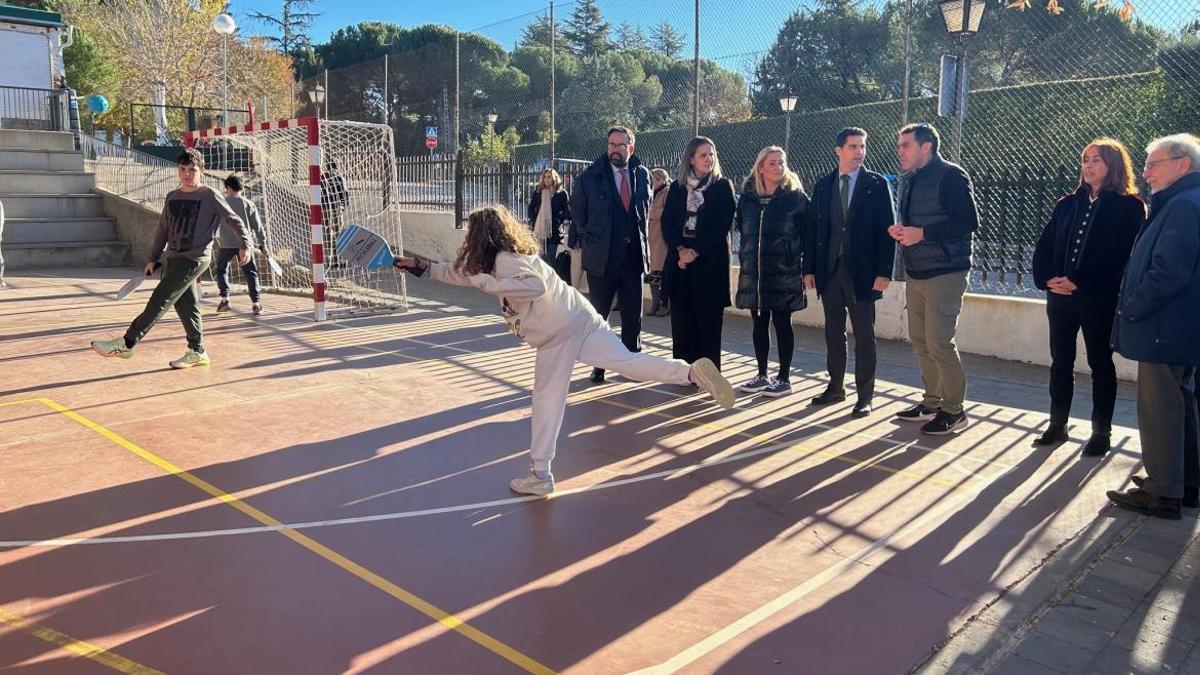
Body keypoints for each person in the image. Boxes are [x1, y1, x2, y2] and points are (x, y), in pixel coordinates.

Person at [393, 205, 735, 496]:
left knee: (546, 399)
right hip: (581, 317)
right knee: (628, 363)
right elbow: (458, 273)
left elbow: (534, 286)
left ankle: (540, 474)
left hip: (558, 332)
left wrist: (490, 284)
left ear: (482, 236)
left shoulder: (505, 262)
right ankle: (690, 372)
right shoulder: (512, 257)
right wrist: (420, 267)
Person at [1031, 138, 1145, 456]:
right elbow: (1045, 243)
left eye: (1096, 159)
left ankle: (1101, 430)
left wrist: (1079, 281)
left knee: (1099, 363)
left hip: (1097, 299)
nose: (1089, 165)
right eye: (1085, 159)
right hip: (1060, 298)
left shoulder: (1129, 206)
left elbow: (1119, 255)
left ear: (1113, 165)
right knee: (1060, 362)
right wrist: (1047, 279)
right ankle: (1057, 424)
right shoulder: (1068, 203)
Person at [1107, 133, 1200, 520]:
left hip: (1164, 324)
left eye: (1152, 165)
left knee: (1160, 407)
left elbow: (1168, 271)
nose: (1145, 173)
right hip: (1178, 325)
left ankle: (1163, 493)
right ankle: (1185, 482)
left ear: (1183, 164)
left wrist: (1131, 306)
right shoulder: (1184, 201)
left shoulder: (1183, 206)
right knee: (1181, 402)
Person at [91, 148, 251, 368]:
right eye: (182, 169)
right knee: (187, 305)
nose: (187, 174)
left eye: (192, 170)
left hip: (194, 258)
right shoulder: (172, 196)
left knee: (161, 298)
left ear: (202, 171)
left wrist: (246, 244)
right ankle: (197, 351)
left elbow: (234, 220)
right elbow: (163, 230)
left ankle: (127, 343)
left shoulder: (210, 195)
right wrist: (153, 258)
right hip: (172, 258)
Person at [889, 123, 979, 435]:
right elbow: (918, 224)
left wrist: (922, 233)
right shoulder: (912, 180)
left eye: (906, 145)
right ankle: (932, 402)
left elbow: (968, 221)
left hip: (946, 272)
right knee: (921, 340)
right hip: (917, 271)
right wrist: (903, 231)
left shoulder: (951, 175)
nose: (900, 151)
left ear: (926, 147)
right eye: (900, 145)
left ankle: (954, 410)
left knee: (940, 342)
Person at [804, 127, 897, 417]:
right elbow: (813, 230)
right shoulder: (823, 185)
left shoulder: (876, 184)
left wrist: (884, 271)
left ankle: (865, 396)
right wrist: (809, 269)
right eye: (853, 146)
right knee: (833, 331)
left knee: (864, 336)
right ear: (838, 150)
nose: (859, 152)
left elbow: (887, 230)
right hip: (829, 271)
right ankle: (835, 387)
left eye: (862, 146)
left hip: (864, 272)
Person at [734, 146, 808, 397]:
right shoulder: (748, 199)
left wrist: (799, 260)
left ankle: (784, 378)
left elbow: (809, 234)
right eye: (773, 163)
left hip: (784, 272)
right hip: (754, 273)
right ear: (761, 168)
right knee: (758, 322)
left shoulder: (796, 198)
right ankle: (762, 374)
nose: (778, 167)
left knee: (782, 321)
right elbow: (742, 231)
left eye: (781, 162)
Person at [662, 136, 736, 370]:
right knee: (682, 320)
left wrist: (695, 251)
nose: (709, 159)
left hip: (709, 264)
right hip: (681, 262)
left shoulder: (723, 187)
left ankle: (709, 374)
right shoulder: (676, 188)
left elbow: (722, 225)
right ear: (691, 159)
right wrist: (682, 250)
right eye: (703, 155)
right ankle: (685, 373)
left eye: (711, 154)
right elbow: (667, 223)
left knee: (709, 322)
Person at [215, 175, 269, 315]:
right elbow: (258, 226)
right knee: (250, 273)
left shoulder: (222, 203)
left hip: (226, 244)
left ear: (229, 188)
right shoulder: (248, 204)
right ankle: (256, 303)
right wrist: (263, 244)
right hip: (245, 245)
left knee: (221, 270)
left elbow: (214, 223)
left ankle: (225, 299)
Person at [527, 168, 570, 273]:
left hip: (554, 232)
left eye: (549, 177)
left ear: (554, 178)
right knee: (539, 261)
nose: (546, 179)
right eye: (545, 177)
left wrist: (558, 220)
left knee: (551, 262)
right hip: (538, 232)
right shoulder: (538, 191)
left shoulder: (561, 194)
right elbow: (531, 208)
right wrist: (535, 219)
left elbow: (567, 211)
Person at [647, 167, 671, 317]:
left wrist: (650, 213)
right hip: (651, 236)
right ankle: (655, 303)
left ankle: (664, 304)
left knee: (662, 273)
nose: (651, 182)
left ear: (662, 179)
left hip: (661, 237)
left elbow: (667, 211)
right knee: (651, 273)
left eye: (654, 179)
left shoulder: (667, 192)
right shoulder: (650, 192)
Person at [321, 160, 350, 267]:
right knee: (339, 232)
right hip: (337, 207)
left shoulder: (323, 177)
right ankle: (341, 259)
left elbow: (320, 192)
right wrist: (344, 206)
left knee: (328, 232)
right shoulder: (340, 177)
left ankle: (330, 259)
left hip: (326, 207)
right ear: (337, 167)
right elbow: (345, 193)